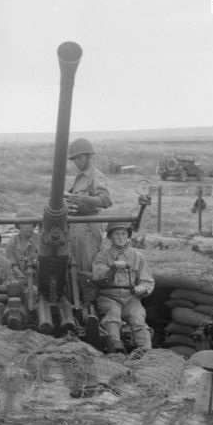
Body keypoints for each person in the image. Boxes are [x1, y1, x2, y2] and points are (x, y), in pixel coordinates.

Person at [92, 221, 154, 354]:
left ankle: (146, 351)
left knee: (138, 318)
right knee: (113, 315)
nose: (121, 237)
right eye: (117, 234)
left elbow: (147, 280)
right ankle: (115, 348)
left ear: (128, 236)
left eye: (124, 234)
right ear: (110, 237)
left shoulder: (138, 257)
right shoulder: (102, 256)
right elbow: (98, 277)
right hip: (109, 296)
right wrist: (112, 269)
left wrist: (142, 288)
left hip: (131, 298)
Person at [64, 137, 112, 272]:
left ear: (87, 157)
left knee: (88, 267)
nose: (76, 162)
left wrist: (83, 198)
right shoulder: (80, 176)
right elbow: (75, 197)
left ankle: (88, 292)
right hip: (76, 224)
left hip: (88, 226)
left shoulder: (96, 176)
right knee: (75, 265)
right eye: (74, 159)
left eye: (79, 158)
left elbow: (105, 200)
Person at [5, 209, 39, 282]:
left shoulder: (40, 240)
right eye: (23, 224)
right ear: (18, 226)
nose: (27, 227)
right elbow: (13, 265)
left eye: (30, 223)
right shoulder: (11, 243)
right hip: (20, 280)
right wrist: (23, 278)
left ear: (33, 225)